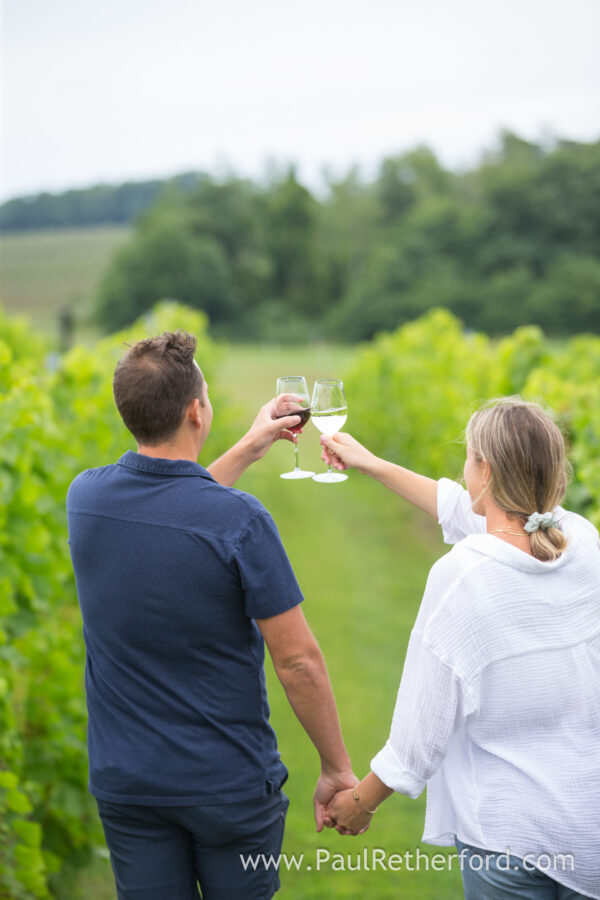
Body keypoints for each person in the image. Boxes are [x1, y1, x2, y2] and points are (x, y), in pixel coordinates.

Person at [66, 330, 356, 900]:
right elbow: (298, 661)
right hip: (230, 789)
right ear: (197, 411)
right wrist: (336, 768)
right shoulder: (241, 521)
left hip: (128, 787)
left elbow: (173, 509)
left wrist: (249, 445)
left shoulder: (86, 499)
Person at [320, 398, 600, 900]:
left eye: (469, 457)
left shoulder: (461, 578)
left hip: (507, 840)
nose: (463, 469)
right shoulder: (580, 541)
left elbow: (418, 736)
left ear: (486, 471)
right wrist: (371, 462)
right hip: (587, 828)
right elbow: (485, 517)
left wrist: (360, 802)